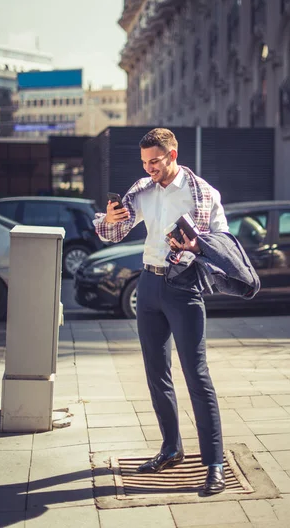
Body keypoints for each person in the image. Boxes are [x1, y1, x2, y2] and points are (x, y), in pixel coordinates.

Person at [93, 127, 228, 495]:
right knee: (156, 372)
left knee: (197, 376)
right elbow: (113, 232)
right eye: (144, 162)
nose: (149, 168)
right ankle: (171, 448)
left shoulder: (203, 194)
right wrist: (110, 217)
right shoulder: (142, 191)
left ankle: (214, 463)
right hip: (148, 285)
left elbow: (223, 241)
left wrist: (196, 246)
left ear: (173, 154)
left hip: (184, 288)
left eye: (155, 161)